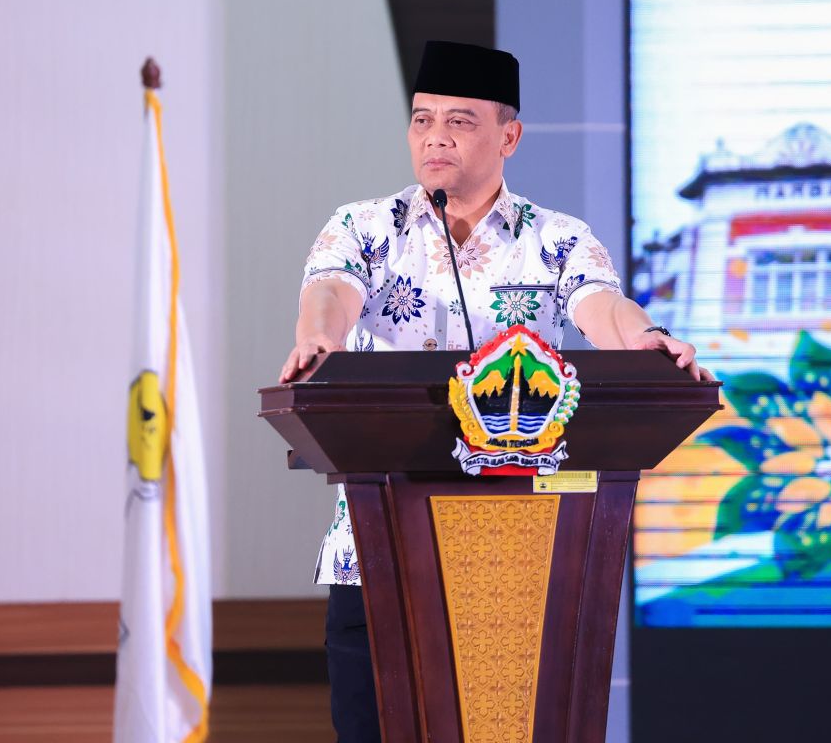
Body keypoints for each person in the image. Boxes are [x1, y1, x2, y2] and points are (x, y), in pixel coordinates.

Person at [278, 40, 711, 743]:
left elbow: (601, 305)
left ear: (509, 136)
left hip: (522, 557)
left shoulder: (556, 238)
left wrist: (646, 338)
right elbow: (329, 290)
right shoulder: (364, 227)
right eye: (422, 120)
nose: (435, 138)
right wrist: (318, 339)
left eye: (459, 121)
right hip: (377, 552)